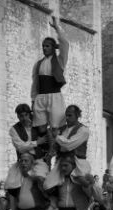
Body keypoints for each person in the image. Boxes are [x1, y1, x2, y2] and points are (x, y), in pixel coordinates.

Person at [31, 15, 69, 159]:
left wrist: (57, 28)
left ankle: (53, 150)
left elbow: (65, 44)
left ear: (53, 48)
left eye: (47, 46)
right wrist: (33, 99)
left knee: (55, 128)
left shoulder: (59, 60)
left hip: (54, 95)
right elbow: (35, 82)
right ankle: (47, 147)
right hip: (41, 96)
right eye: (43, 46)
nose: (44, 48)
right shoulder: (38, 64)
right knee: (40, 127)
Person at [44, 105, 91, 190]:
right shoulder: (62, 129)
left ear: (77, 116)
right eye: (66, 115)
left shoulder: (83, 130)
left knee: (85, 184)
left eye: (70, 115)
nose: (67, 118)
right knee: (47, 185)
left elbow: (68, 145)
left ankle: (95, 200)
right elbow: (56, 147)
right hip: (62, 162)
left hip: (78, 163)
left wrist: (56, 136)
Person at [5, 103, 49, 191]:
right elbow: (20, 147)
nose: (24, 118)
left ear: (30, 114)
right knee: (10, 185)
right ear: (17, 116)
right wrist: (37, 142)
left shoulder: (38, 126)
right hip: (22, 162)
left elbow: (47, 140)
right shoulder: (14, 129)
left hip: (38, 160)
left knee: (42, 180)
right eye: (21, 116)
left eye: (26, 115)